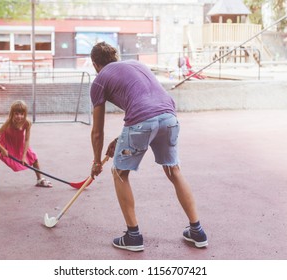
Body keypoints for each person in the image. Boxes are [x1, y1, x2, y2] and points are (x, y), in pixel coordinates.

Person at [89, 42, 208, 251]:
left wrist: (96, 161)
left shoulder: (99, 80)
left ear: (95, 64)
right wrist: (121, 139)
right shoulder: (136, 64)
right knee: (174, 170)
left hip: (142, 121)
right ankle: (197, 231)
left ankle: (133, 236)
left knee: (119, 172)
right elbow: (145, 104)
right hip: (169, 117)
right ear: (115, 58)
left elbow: (97, 132)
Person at [0, 100, 52, 195]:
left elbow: (27, 140)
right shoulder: (8, 122)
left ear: (25, 114)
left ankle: (39, 179)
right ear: (12, 114)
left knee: (34, 159)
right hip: (6, 143)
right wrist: (3, 149)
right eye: (16, 113)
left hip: (19, 144)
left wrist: (24, 156)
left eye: (22, 114)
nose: (19, 116)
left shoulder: (27, 123)